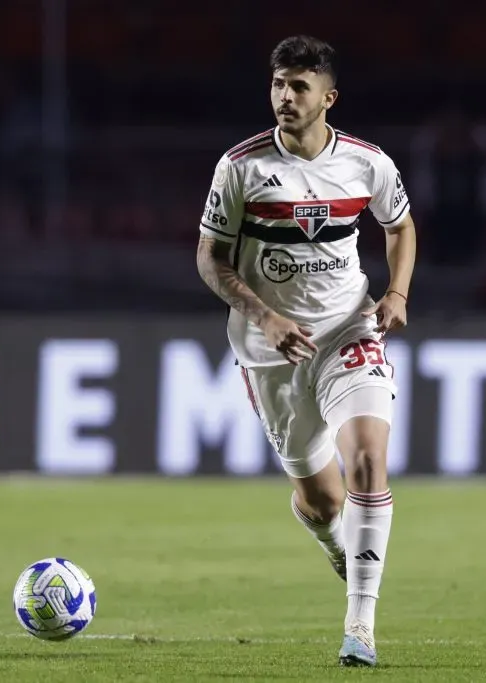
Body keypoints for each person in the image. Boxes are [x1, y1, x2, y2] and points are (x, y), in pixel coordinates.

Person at [194, 34, 417, 667]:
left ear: (328, 98)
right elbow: (209, 259)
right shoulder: (240, 168)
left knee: (368, 459)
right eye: (277, 85)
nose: (285, 97)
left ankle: (360, 625)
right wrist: (265, 316)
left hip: (349, 330)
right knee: (322, 502)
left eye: (298, 86)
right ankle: (336, 545)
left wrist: (397, 292)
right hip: (272, 353)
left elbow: (400, 225)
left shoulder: (368, 164)